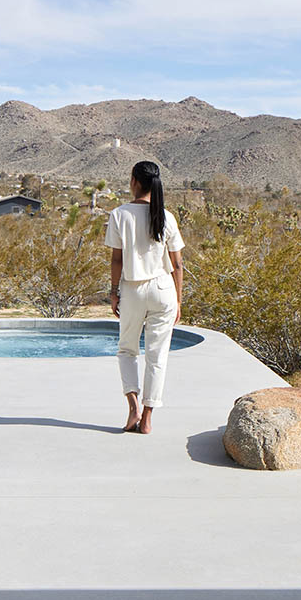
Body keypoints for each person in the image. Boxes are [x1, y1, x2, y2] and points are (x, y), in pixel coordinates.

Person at [104, 161, 185, 434]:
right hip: (163, 290)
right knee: (157, 355)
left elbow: (117, 260)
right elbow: (178, 264)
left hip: (133, 289)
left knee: (127, 350)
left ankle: (133, 405)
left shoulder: (119, 215)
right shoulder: (167, 216)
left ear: (135, 181)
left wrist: (114, 293)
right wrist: (179, 301)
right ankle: (148, 417)